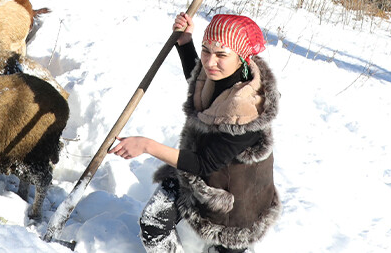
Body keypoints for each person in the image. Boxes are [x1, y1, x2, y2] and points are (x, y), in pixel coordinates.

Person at [109, 13, 281, 253]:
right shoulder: (222, 72)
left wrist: (147, 145)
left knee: (228, 246)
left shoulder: (248, 108)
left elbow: (203, 163)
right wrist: (186, 43)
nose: (210, 62)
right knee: (153, 223)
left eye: (221, 54)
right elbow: (201, 81)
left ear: (242, 57)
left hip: (235, 195)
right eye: (205, 50)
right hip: (194, 173)